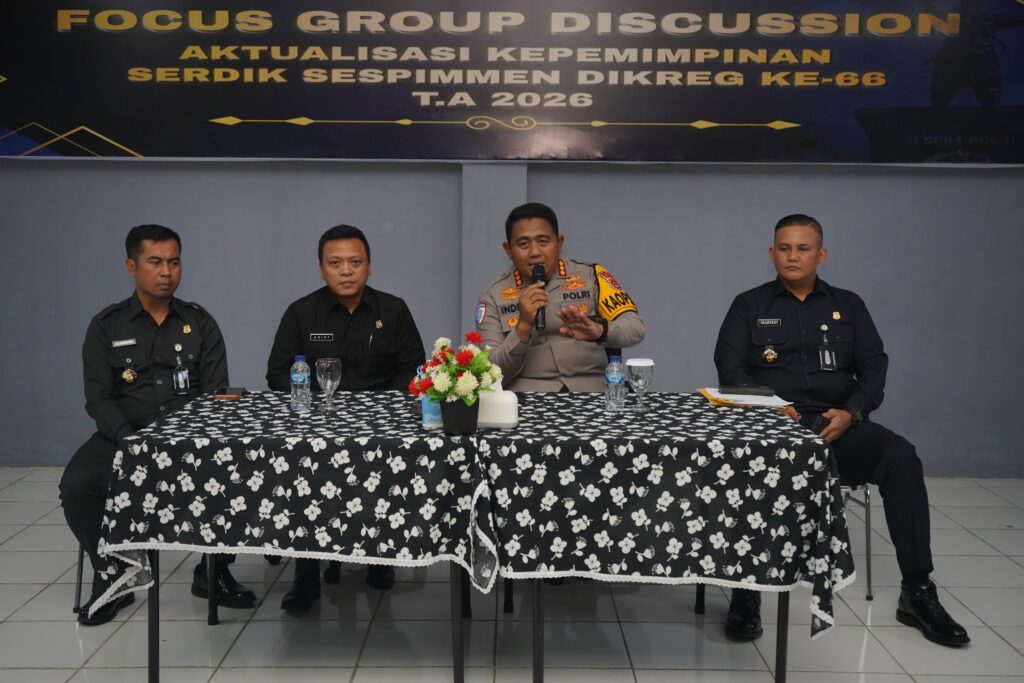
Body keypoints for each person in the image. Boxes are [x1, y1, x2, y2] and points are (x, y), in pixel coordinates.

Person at [713, 213, 969, 647]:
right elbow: (729, 367)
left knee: (901, 457)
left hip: (837, 425)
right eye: (784, 248)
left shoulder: (849, 305)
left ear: (822, 254)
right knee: (735, 464)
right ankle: (746, 590)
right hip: (772, 428)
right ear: (772, 253)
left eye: (803, 248)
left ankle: (917, 591)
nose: (793, 257)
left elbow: (874, 366)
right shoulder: (748, 305)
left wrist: (852, 412)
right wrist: (772, 408)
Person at [59, 224, 256, 625]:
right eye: (155, 262)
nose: (166, 271)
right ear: (131, 267)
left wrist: (190, 440)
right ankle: (114, 572)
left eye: (174, 262)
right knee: (78, 483)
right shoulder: (106, 325)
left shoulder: (200, 322)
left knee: (242, 471)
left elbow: (215, 393)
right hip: (124, 436)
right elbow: (98, 397)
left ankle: (213, 572)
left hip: (190, 439)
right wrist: (130, 441)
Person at [266, 224, 425, 613]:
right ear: (321, 268)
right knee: (302, 477)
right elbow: (277, 373)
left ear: (369, 265)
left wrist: (380, 408)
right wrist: (316, 403)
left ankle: (380, 556)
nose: (346, 271)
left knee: (390, 467)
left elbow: (414, 368)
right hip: (317, 426)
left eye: (355, 262)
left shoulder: (393, 310)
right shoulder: (301, 313)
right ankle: (306, 575)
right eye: (335, 263)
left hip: (381, 425)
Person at [476, 202, 645, 391]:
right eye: (524, 244)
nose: (535, 252)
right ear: (508, 250)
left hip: (591, 391)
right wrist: (522, 327)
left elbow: (636, 328)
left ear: (560, 243)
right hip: (526, 396)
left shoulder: (592, 277)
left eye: (543, 241)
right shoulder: (493, 296)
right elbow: (490, 375)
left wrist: (600, 330)